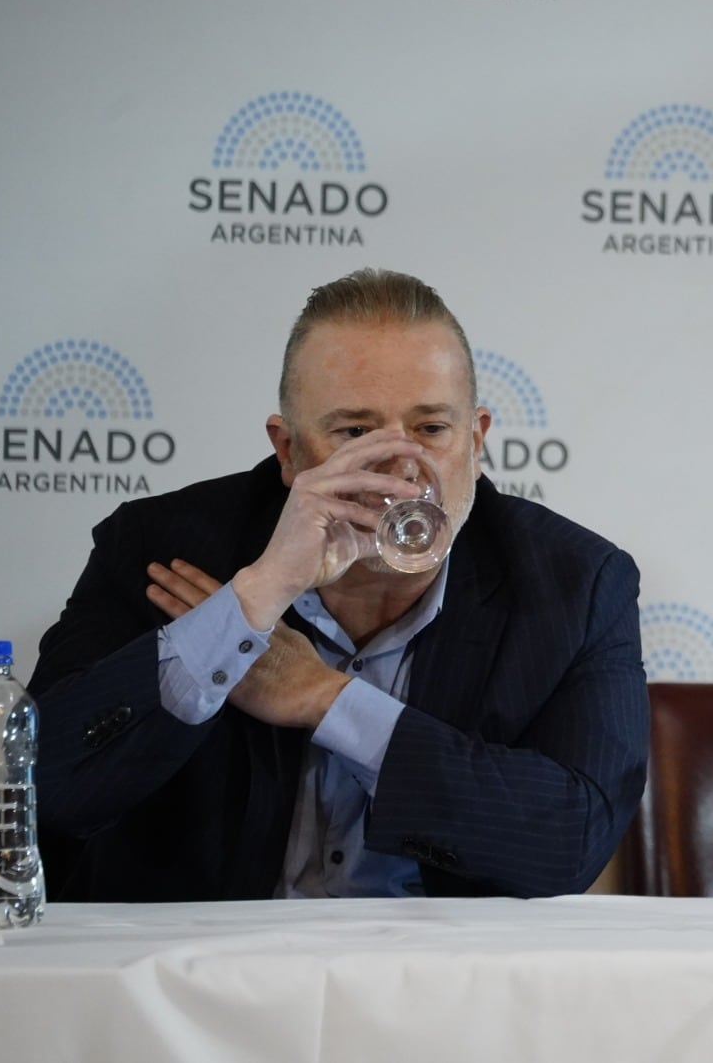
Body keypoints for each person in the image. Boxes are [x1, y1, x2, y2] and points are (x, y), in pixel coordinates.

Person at [32, 268, 649, 902]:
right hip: (200, 977)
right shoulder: (158, 548)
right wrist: (249, 604)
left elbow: (571, 843)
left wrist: (327, 700)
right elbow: (41, 790)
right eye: (355, 433)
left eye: (431, 429)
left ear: (476, 439)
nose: (399, 468)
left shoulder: (576, 583)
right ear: (289, 450)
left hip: (436, 979)